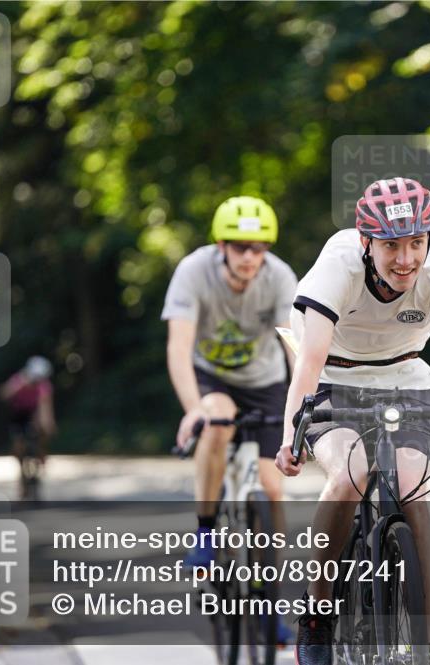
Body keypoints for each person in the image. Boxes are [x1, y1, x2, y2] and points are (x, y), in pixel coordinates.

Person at [275, 177, 430, 665]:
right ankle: (316, 617)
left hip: (406, 375)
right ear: (366, 242)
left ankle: (427, 636)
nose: (406, 258)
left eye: (415, 243)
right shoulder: (338, 265)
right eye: (390, 246)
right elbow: (309, 361)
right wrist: (289, 439)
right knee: (350, 475)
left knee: (409, 487)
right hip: (334, 376)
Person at [162, 195, 297, 642]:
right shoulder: (193, 272)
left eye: (259, 247)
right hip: (211, 376)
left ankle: (267, 597)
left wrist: (304, 405)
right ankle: (204, 532)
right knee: (217, 422)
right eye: (240, 247)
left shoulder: (279, 278)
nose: (249, 256)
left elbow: (295, 348)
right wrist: (194, 409)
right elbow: (178, 348)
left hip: (265, 380)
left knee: (272, 488)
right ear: (221, 245)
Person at [0, 356, 57, 471]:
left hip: (34, 412)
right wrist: (17, 387)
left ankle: (41, 452)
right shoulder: (18, 379)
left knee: (42, 430)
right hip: (17, 412)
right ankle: (21, 467)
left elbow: (45, 407)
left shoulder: (44, 386)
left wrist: (48, 425)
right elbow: (3, 395)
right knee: (18, 442)